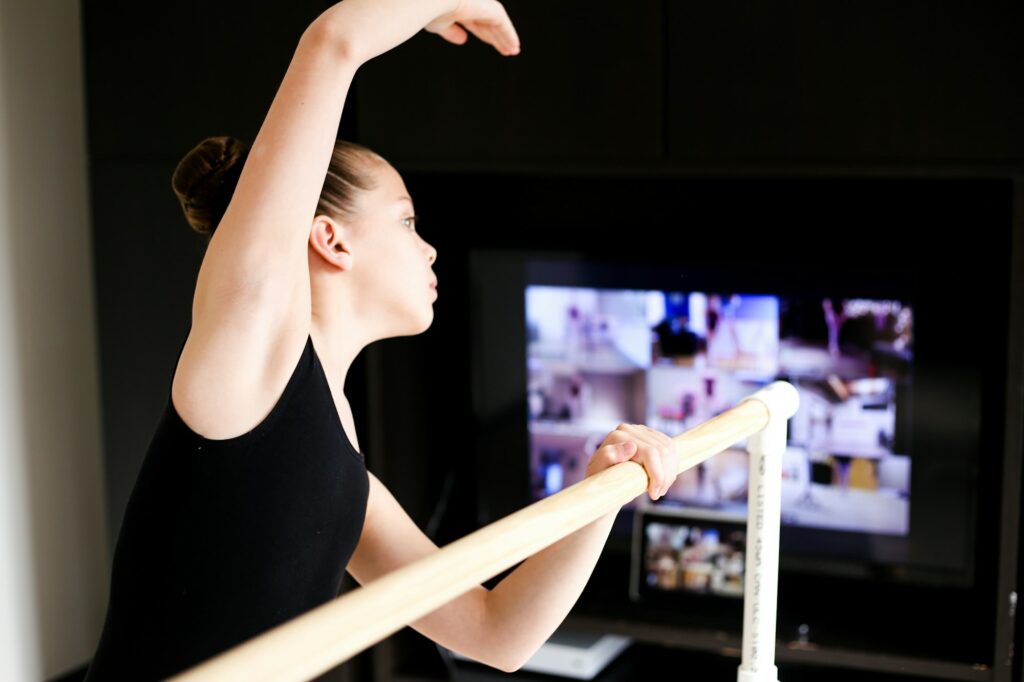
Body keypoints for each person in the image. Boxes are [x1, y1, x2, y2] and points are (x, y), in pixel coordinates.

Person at [83, 1, 680, 678]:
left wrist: (603, 493)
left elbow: (497, 633)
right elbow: (333, 40)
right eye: (406, 220)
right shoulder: (251, 356)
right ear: (329, 238)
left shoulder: (340, 468)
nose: (430, 251)